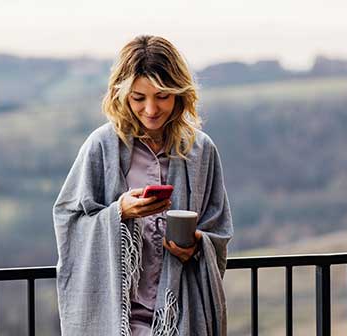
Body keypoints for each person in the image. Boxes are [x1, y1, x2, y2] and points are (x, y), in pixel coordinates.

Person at [53, 35, 233, 336]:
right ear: (122, 96)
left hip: (181, 316)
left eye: (162, 96)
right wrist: (118, 213)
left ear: (179, 93)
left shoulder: (201, 151)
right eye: (139, 97)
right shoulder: (101, 147)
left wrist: (198, 246)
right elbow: (68, 220)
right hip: (116, 320)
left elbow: (219, 232)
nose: (151, 109)